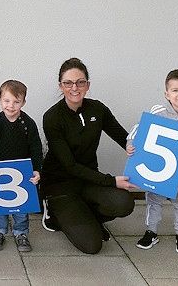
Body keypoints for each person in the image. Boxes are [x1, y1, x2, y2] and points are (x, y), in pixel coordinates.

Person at [40, 58, 138, 254]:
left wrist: (142, 151)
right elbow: (69, 165)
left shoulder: (98, 109)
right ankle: (51, 210)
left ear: (88, 85)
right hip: (60, 187)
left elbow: (124, 138)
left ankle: (86, 215)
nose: (74, 87)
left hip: (88, 182)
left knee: (125, 203)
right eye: (68, 83)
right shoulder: (52, 117)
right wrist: (111, 181)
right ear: (61, 86)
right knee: (92, 245)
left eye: (80, 82)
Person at [127, 69, 178, 254]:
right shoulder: (159, 111)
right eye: (175, 90)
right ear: (167, 94)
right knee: (154, 199)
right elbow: (138, 130)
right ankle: (151, 231)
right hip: (158, 167)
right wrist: (131, 144)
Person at [0, 80, 43, 253]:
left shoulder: (28, 124)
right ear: (0, 100)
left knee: (21, 206)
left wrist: (37, 169)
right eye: (7, 101)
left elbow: (36, 149)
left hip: (22, 174)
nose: (11, 106)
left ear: (23, 102)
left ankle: (21, 233)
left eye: (16, 101)